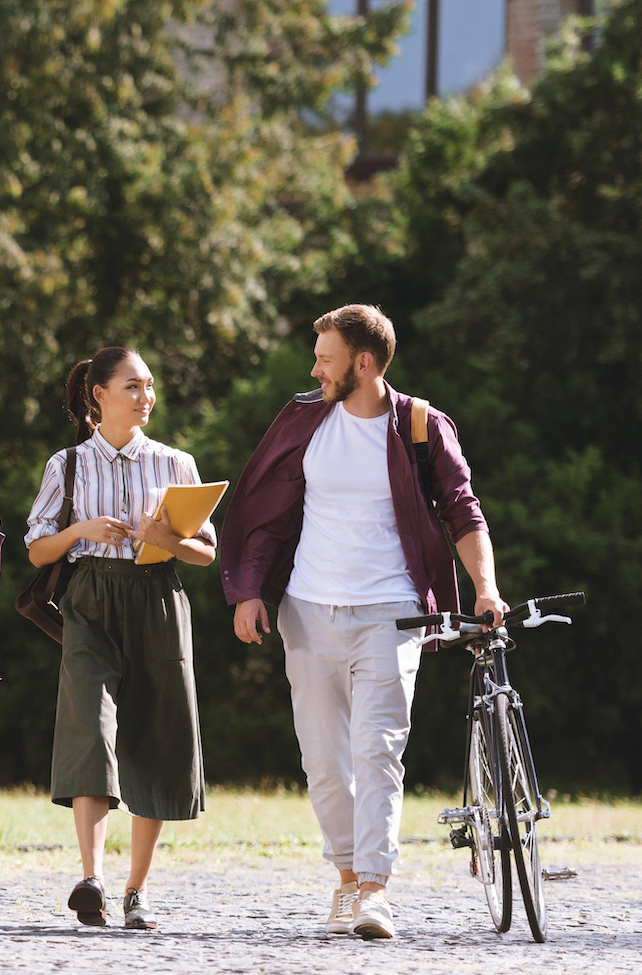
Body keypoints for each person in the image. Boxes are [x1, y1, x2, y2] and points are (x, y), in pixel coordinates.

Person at [222, 304, 503, 940]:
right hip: (308, 609)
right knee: (324, 761)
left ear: (364, 363)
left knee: (377, 751)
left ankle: (375, 890)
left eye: (326, 358)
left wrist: (485, 587)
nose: (315, 368)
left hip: (392, 612)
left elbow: (464, 512)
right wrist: (249, 591)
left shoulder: (419, 426)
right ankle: (346, 878)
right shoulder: (304, 420)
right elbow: (265, 509)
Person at [22, 346, 214, 931]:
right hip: (90, 600)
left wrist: (165, 536)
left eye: (150, 386)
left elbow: (207, 552)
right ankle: (92, 879)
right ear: (98, 395)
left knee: (155, 736)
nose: (146, 397)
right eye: (133, 386)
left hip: (158, 600)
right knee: (90, 728)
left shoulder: (176, 463)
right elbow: (35, 548)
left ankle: (136, 891)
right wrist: (79, 529)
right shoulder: (68, 465)